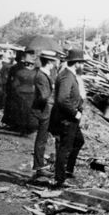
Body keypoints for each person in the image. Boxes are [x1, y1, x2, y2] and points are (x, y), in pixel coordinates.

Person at [49, 49, 87, 189]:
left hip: (71, 119)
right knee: (64, 148)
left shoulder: (69, 75)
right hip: (67, 119)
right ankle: (59, 180)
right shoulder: (66, 76)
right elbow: (61, 99)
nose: (82, 65)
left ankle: (68, 170)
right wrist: (74, 112)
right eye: (81, 62)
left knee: (78, 141)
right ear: (76, 63)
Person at [31, 50, 59, 181]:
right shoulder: (41, 75)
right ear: (49, 62)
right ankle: (39, 168)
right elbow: (43, 96)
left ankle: (42, 166)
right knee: (41, 140)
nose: (55, 63)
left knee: (44, 139)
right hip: (44, 111)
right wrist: (52, 96)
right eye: (53, 61)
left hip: (47, 110)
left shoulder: (45, 74)